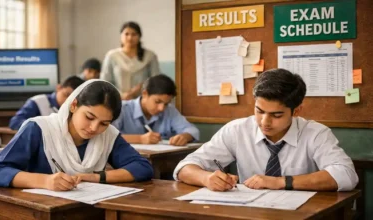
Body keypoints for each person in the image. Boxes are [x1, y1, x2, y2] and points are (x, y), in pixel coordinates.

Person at [173, 68, 358, 192]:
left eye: (276, 115)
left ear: (297, 110)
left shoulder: (316, 133)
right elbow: (184, 168)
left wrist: (281, 182)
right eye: (259, 111)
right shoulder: (237, 130)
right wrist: (206, 178)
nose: (264, 122)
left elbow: (346, 175)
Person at [0, 79, 153, 191]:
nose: (94, 128)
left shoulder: (108, 135)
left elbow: (142, 168)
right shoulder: (39, 128)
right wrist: (45, 181)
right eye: (89, 117)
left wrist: (96, 177)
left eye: (104, 123)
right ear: (73, 105)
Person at [113, 74, 199, 146]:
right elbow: (106, 135)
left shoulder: (169, 110)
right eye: (157, 101)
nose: (161, 108)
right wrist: (140, 139)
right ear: (145, 94)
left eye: (166, 103)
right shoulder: (121, 109)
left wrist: (184, 136)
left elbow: (192, 130)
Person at [100, 21, 160, 100]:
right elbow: (105, 81)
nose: (130, 38)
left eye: (134, 34)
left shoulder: (150, 56)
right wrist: (121, 95)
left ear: (139, 37)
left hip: (143, 101)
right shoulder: (112, 56)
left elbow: (155, 81)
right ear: (121, 36)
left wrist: (138, 90)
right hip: (117, 100)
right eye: (126, 34)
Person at [9, 76, 84, 130]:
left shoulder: (76, 108)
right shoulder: (37, 102)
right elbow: (15, 122)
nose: (67, 101)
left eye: (72, 99)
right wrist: (41, 126)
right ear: (59, 88)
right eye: (66, 95)